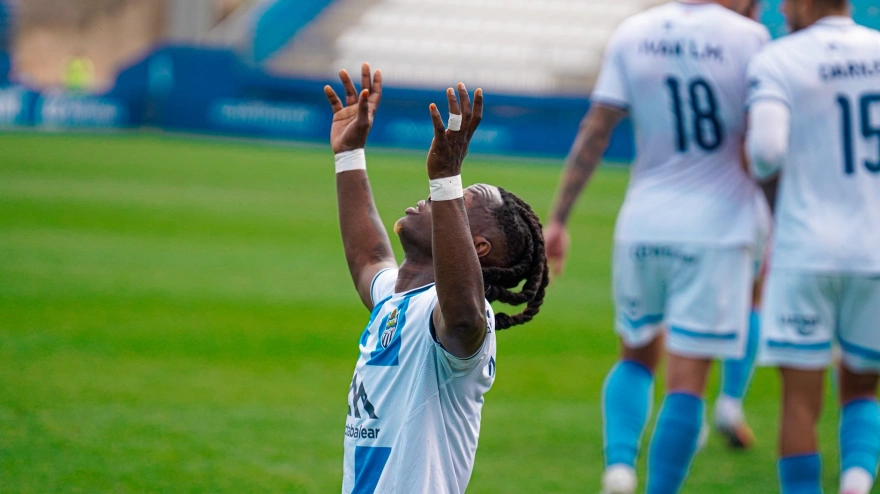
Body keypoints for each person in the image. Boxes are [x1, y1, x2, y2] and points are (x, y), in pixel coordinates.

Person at [544, 1, 769, 492]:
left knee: (635, 355)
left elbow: (596, 130)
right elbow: (764, 147)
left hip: (642, 223)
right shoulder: (750, 39)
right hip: (717, 227)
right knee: (687, 381)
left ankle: (618, 468)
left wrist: (558, 219)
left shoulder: (633, 31)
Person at [326, 64, 549, 494]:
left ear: (475, 246)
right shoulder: (400, 300)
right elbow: (368, 255)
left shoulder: (463, 321)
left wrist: (447, 175)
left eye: (455, 201)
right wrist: (348, 154)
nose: (433, 197)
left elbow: (462, 318)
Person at [746, 0, 880, 492]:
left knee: (800, 399)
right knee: (864, 382)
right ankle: (856, 483)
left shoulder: (780, 58)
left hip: (806, 246)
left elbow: (765, 151)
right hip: (876, 248)